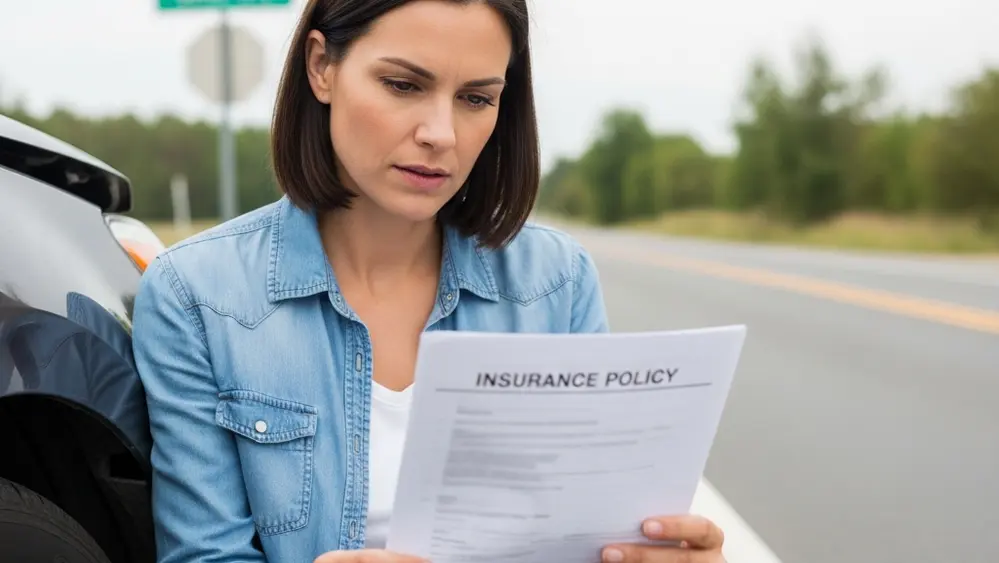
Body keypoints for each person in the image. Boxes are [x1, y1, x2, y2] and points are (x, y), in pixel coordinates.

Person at [131, 1, 728, 562]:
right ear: (322, 67)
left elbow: (587, 537)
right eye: (404, 85)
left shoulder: (556, 284)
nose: (441, 133)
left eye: (475, 98)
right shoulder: (197, 294)